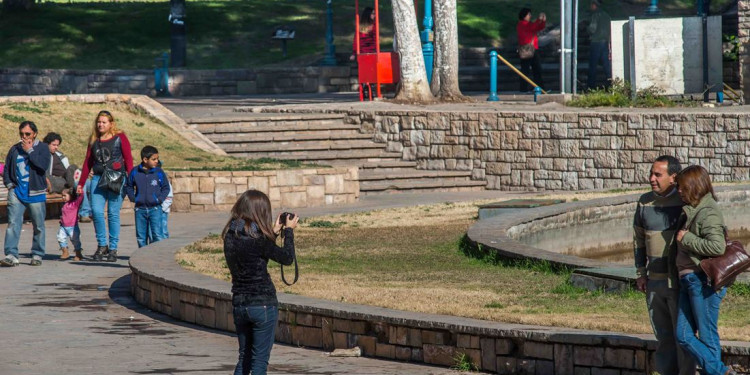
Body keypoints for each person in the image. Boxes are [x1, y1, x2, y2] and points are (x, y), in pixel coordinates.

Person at [633, 155, 696, 375]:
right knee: (663, 337)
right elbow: (639, 240)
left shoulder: (684, 202)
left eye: (658, 174)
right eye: (651, 173)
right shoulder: (644, 202)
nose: (652, 178)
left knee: (684, 337)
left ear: (673, 177)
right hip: (654, 283)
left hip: (679, 282)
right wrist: (641, 273)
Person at [223, 190, 298, 375]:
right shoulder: (258, 241)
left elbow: (255, 246)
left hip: (240, 303)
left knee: (244, 359)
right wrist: (288, 231)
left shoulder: (230, 234)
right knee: (259, 363)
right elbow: (287, 258)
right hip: (262, 305)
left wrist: (274, 231)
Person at [674, 165, 736, 375]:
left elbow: (717, 246)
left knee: (708, 336)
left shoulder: (708, 211)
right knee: (683, 334)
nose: (679, 191)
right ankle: (720, 371)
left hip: (703, 282)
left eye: (682, 187)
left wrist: (687, 238)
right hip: (689, 281)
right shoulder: (694, 209)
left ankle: (720, 373)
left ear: (694, 186)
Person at [77, 110, 133, 262]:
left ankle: (113, 248)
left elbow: (128, 159)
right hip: (97, 179)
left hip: (116, 178)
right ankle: (102, 245)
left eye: (104, 122)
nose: (100, 124)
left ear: (111, 124)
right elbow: (87, 162)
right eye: (98, 122)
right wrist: (81, 183)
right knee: (96, 212)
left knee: (113, 214)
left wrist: (132, 180)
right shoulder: (94, 139)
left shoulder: (120, 137)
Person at [2, 121, 51, 267]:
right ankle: (11, 255)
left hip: (36, 193)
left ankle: (37, 254)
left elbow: (42, 166)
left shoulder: (42, 148)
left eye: (28, 134)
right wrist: (10, 185)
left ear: (35, 134)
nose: (24, 137)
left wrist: (30, 150)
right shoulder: (15, 149)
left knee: (39, 226)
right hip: (17, 192)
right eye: (22, 134)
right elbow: (6, 168)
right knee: (13, 224)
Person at [124, 146, 170, 248]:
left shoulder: (159, 172)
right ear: (145, 159)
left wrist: (159, 199)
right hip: (140, 210)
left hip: (155, 209)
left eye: (157, 159)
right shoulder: (135, 172)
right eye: (154, 159)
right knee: (141, 237)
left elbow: (166, 188)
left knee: (157, 235)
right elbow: (129, 186)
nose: (157, 161)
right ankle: (143, 259)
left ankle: (157, 257)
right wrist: (134, 198)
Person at [516, 7, 546, 92]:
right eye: (529, 14)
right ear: (524, 15)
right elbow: (533, 26)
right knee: (526, 70)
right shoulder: (522, 24)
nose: (530, 16)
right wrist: (538, 19)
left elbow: (539, 27)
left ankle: (539, 88)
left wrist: (543, 21)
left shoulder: (528, 24)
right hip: (527, 50)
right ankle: (524, 88)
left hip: (533, 49)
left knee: (536, 69)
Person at [351, 7, 377, 99]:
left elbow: (376, 40)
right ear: (368, 14)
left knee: (372, 72)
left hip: (372, 52)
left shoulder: (375, 26)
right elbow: (356, 41)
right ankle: (365, 90)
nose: (374, 15)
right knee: (363, 73)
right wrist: (354, 53)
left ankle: (372, 90)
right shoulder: (360, 27)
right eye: (372, 13)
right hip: (362, 53)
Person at [587, 0, 612, 90]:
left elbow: (592, 29)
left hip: (596, 42)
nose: (590, 6)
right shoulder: (607, 15)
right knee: (606, 65)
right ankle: (610, 84)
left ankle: (591, 86)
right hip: (605, 42)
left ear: (594, 5)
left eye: (591, 4)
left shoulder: (595, 15)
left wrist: (587, 29)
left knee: (593, 65)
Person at [57, 188, 84, 261]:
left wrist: (81, 192)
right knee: (60, 238)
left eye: (65, 195)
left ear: (71, 195)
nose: (63, 197)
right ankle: (65, 252)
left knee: (75, 240)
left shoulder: (75, 204)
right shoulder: (64, 205)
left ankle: (78, 253)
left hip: (73, 227)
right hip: (63, 226)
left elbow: (81, 198)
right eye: (62, 196)